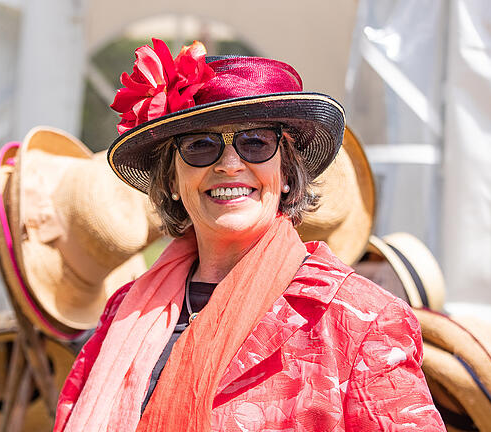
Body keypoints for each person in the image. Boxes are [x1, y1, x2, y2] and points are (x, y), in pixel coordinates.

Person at [54, 39, 444, 431]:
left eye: (255, 142)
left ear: (287, 173)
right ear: (172, 179)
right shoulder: (123, 311)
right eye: (199, 145)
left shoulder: (359, 319)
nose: (228, 164)